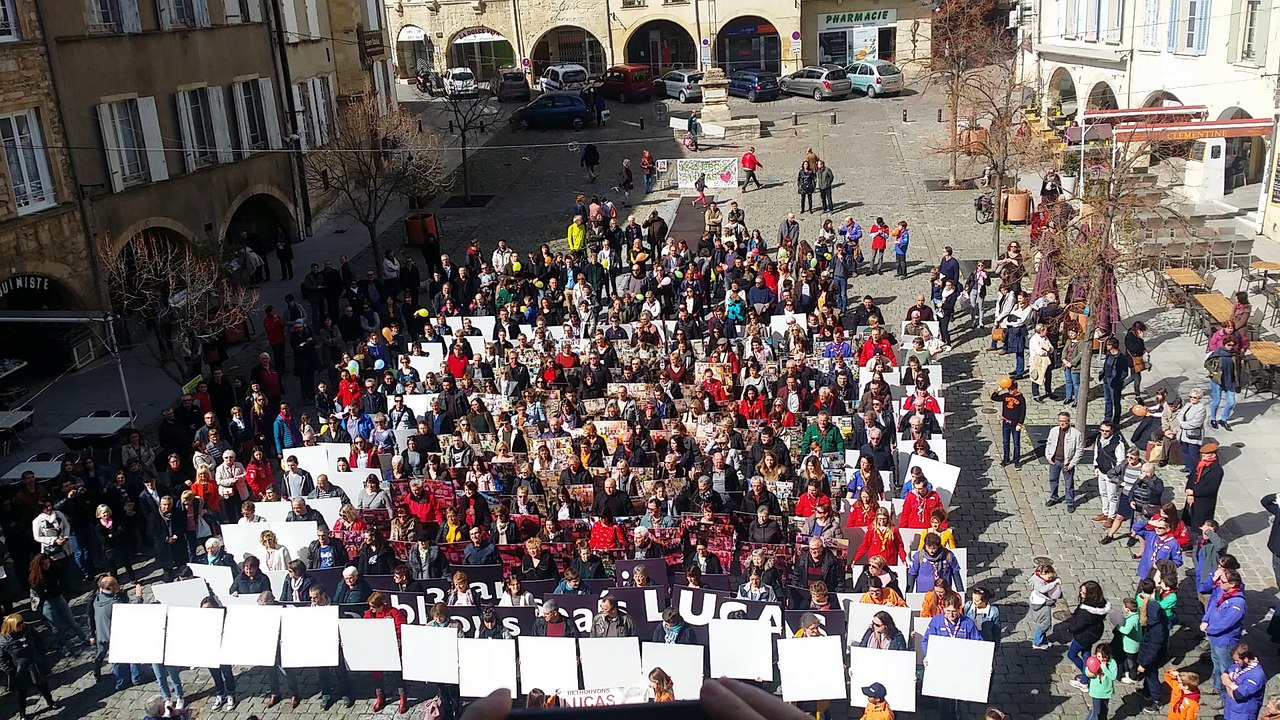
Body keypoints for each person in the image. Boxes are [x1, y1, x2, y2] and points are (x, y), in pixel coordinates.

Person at [0, 614, 60, 720]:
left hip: (34, 665)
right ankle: (22, 713)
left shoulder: (29, 631)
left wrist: (40, 656)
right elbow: (2, 660)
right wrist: (12, 671)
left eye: (22, 622)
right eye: (18, 624)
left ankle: (50, 702)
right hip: (19, 671)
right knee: (21, 693)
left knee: (43, 685)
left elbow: (40, 643)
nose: (22, 625)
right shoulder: (4, 641)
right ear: (11, 625)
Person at [27, 554, 89, 656]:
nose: (47, 566)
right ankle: (64, 647)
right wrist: (51, 590)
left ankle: (84, 638)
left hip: (58, 598)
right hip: (47, 602)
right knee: (56, 627)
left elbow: (61, 582)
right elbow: (41, 593)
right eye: (44, 564)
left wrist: (56, 590)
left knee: (71, 621)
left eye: (48, 563)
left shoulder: (54, 569)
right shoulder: (36, 578)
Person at [1067, 581, 1110, 691]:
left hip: (1083, 637)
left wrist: (1070, 628)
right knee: (1086, 654)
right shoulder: (1101, 604)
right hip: (1093, 635)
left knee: (1072, 655)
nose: (1081, 593)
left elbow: (1077, 626)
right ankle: (1087, 676)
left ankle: (1086, 676)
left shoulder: (1086, 612)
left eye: (1083, 592)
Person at [1045, 412, 1085, 512]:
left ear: (1068, 421)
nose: (1062, 423)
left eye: (1064, 421)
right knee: (1053, 480)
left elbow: (1079, 450)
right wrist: (1049, 456)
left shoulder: (1076, 434)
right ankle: (1054, 497)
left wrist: (1072, 464)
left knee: (1069, 483)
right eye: (1060, 421)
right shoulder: (1053, 430)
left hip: (1067, 463)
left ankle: (1070, 502)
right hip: (1055, 460)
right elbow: (1049, 443)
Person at [1205, 337, 1243, 430]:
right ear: (1224, 344)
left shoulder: (1234, 355)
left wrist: (1237, 381)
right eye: (1229, 345)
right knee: (1216, 401)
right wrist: (1213, 372)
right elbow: (1207, 363)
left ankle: (1223, 419)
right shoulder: (1217, 353)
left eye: (1232, 345)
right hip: (1218, 381)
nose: (1230, 347)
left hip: (1229, 381)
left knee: (1231, 402)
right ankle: (1213, 419)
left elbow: (1237, 368)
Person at [1027, 559, 1062, 650]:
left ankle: (1043, 640)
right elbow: (1043, 589)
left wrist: (1054, 580)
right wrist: (1054, 583)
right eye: (1049, 577)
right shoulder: (1039, 582)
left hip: (1044, 604)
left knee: (1044, 624)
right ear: (1042, 574)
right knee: (1042, 625)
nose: (1051, 579)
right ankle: (1037, 642)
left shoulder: (1039, 577)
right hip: (1042, 605)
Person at [990, 379, 1026, 466]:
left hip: (1015, 424)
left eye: (1011, 390)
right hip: (1006, 422)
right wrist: (999, 389)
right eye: (1008, 389)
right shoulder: (1006, 395)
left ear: (1015, 389)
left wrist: (1020, 424)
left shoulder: (1021, 398)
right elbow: (993, 398)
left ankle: (1016, 461)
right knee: (1005, 442)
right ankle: (1006, 459)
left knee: (1016, 443)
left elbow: (1023, 412)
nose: (1010, 391)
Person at [1083, 643, 1118, 720]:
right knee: (1096, 714)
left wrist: (1104, 668)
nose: (1101, 659)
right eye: (1099, 656)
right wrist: (1089, 673)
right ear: (1095, 655)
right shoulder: (1093, 661)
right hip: (1096, 692)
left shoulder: (1112, 663)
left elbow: (1113, 676)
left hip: (1106, 692)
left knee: (1104, 711)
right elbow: (1087, 670)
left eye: (1104, 657)